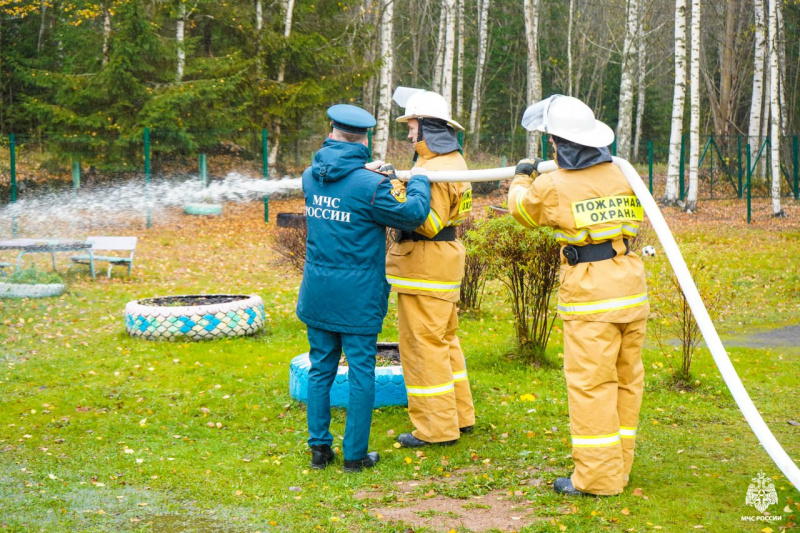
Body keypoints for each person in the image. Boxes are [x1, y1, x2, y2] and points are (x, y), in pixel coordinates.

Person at [508, 95, 649, 496]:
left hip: (591, 296)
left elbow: (521, 210)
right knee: (626, 382)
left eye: (551, 141)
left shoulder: (552, 183)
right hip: (630, 287)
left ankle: (598, 479)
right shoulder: (623, 173)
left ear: (559, 144)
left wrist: (522, 176)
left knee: (591, 386)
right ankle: (618, 466)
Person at [296, 104, 431, 472]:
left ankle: (319, 451)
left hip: (318, 292)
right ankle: (355, 456)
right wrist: (418, 178)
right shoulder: (370, 185)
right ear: (366, 137)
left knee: (320, 369)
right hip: (357, 298)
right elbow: (414, 214)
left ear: (331, 130)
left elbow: (342, 186)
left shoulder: (311, 176)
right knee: (360, 372)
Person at [385, 88, 476, 448]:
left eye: (412, 126)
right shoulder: (451, 161)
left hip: (425, 266)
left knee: (423, 347)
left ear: (428, 129)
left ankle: (435, 429)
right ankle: (460, 415)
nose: (408, 133)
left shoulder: (435, 170)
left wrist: (392, 187)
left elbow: (427, 222)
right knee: (445, 341)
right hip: (442, 263)